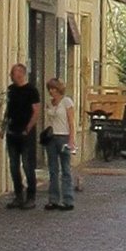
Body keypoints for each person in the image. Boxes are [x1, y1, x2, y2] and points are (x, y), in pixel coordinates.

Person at [3, 61, 41, 208]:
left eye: (15, 73)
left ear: (22, 74)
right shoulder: (11, 90)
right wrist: (4, 127)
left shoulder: (31, 90)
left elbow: (36, 111)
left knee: (27, 165)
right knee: (13, 165)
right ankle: (18, 195)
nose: (13, 76)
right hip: (12, 131)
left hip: (26, 133)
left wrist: (28, 128)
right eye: (12, 73)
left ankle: (31, 196)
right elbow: (8, 109)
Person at [42, 75, 76, 209]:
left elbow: (71, 122)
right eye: (50, 89)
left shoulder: (67, 102)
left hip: (63, 137)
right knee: (53, 170)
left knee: (66, 169)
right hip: (51, 138)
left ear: (59, 89)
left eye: (54, 89)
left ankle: (68, 200)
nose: (51, 91)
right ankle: (53, 199)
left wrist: (71, 140)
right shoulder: (50, 103)